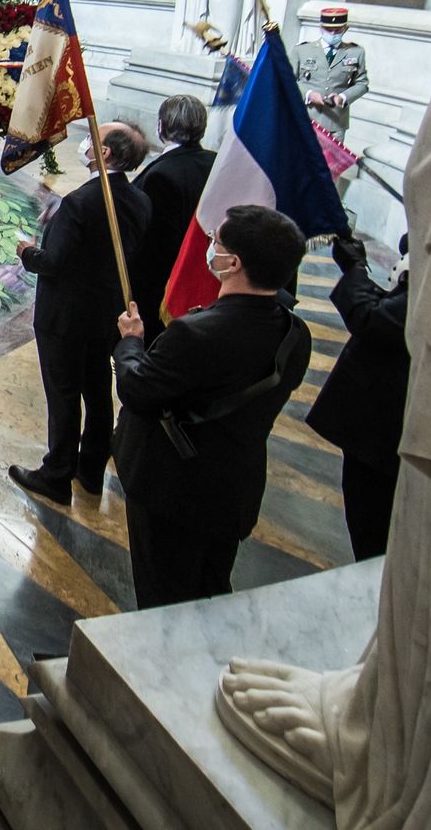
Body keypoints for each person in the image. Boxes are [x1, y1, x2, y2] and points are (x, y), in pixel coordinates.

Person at [110, 204, 312, 608]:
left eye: (214, 242)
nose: (209, 247)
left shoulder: (195, 334)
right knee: (211, 589)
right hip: (232, 488)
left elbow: (137, 388)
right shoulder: (295, 333)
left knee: (163, 598)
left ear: (232, 262)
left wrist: (131, 341)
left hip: (171, 489)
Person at [9, 122, 151, 505]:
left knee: (64, 394)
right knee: (98, 390)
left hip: (65, 318)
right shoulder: (138, 199)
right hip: (105, 313)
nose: (85, 143)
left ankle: (56, 473)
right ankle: (90, 470)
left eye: (93, 138)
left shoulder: (81, 202)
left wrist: (26, 251)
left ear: (104, 154)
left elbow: (53, 262)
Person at [304, 233, 409, 560]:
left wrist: (355, 268)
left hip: (384, 430)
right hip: (381, 429)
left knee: (373, 532)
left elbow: (373, 319)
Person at [131, 95, 216, 342]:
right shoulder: (216, 162)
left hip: (167, 292)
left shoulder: (161, 175)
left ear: (160, 126)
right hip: (207, 282)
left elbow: (154, 247)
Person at [294, 6, 368, 138]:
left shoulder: (356, 52)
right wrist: (309, 94)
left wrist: (343, 97)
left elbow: (362, 83)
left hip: (335, 123)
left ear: (345, 29)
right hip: (305, 118)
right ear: (321, 28)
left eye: (337, 30)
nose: (333, 34)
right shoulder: (302, 50)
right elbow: (287, 80)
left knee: (331, 160)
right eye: (329, 29)